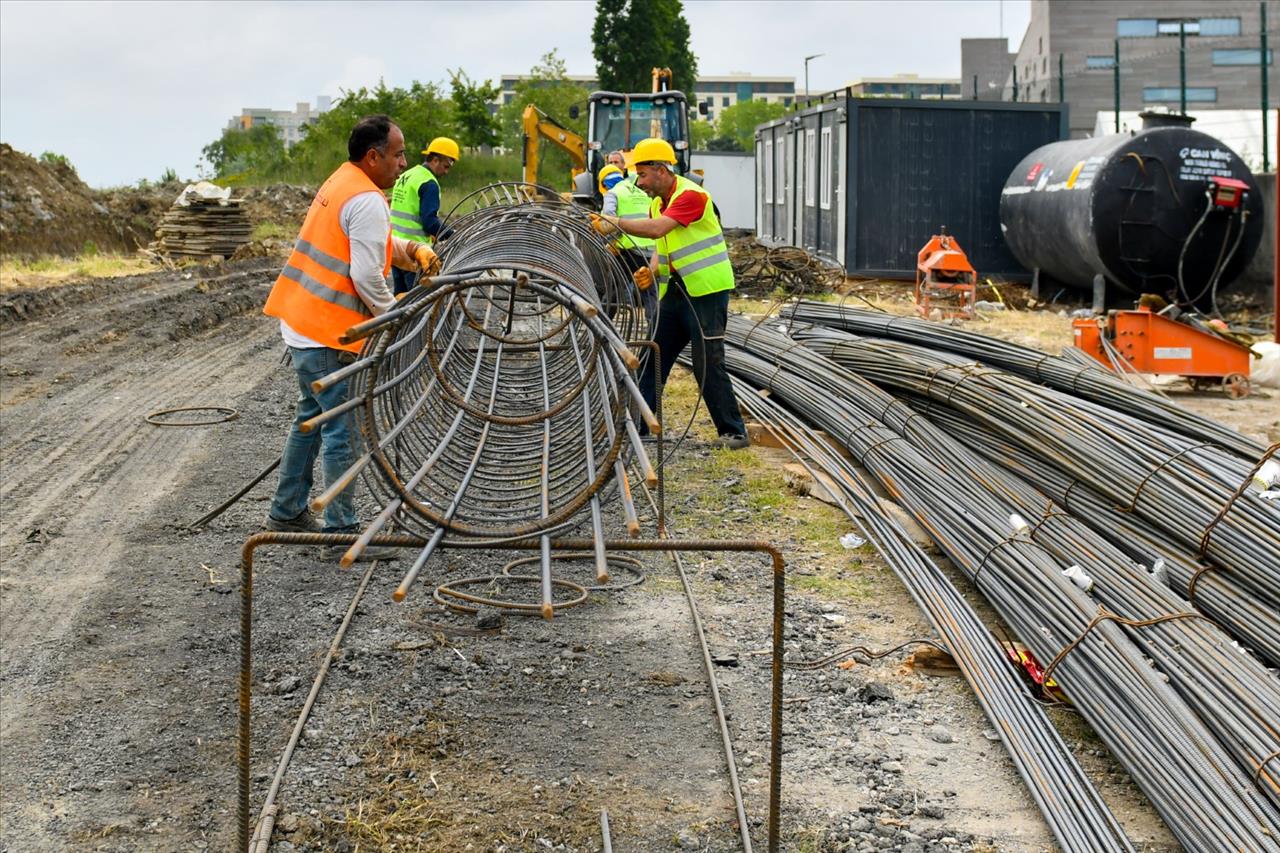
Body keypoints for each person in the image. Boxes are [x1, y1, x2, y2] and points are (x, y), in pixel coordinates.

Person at [262, 114, 441, 557]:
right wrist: (393, 314)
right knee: (343, 431)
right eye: (398, 154)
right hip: (329, 332)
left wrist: (412, 249)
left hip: (303, 324)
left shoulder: (344, 182)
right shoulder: (366, 199)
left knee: (310, 421)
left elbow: (372, 243)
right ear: (373, 156)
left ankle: (286, 512)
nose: (403, 163)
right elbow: (365, 274)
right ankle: (342, 531)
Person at [591, 138, 748, 450]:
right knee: (654, 355)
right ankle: (640, 424)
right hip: (676, 290)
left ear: (661, 170)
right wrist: (652, 271)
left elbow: (657, 230)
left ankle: (734, 432)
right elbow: (662, 247)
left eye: (643, 174)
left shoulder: (691, 195)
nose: (639, 181)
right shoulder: (657, 202)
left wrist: (615, 222)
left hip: (706, 291)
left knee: (708, 362)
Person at [388, 136, 459, 295]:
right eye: (446, 166)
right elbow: (430, 222)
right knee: (417, 304)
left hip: (395, 247)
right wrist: (453, 235)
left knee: (400, 299)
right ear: (435, 160)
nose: (446, 171)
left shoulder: (408, 175)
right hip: (415, 253)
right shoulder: (429, 183)